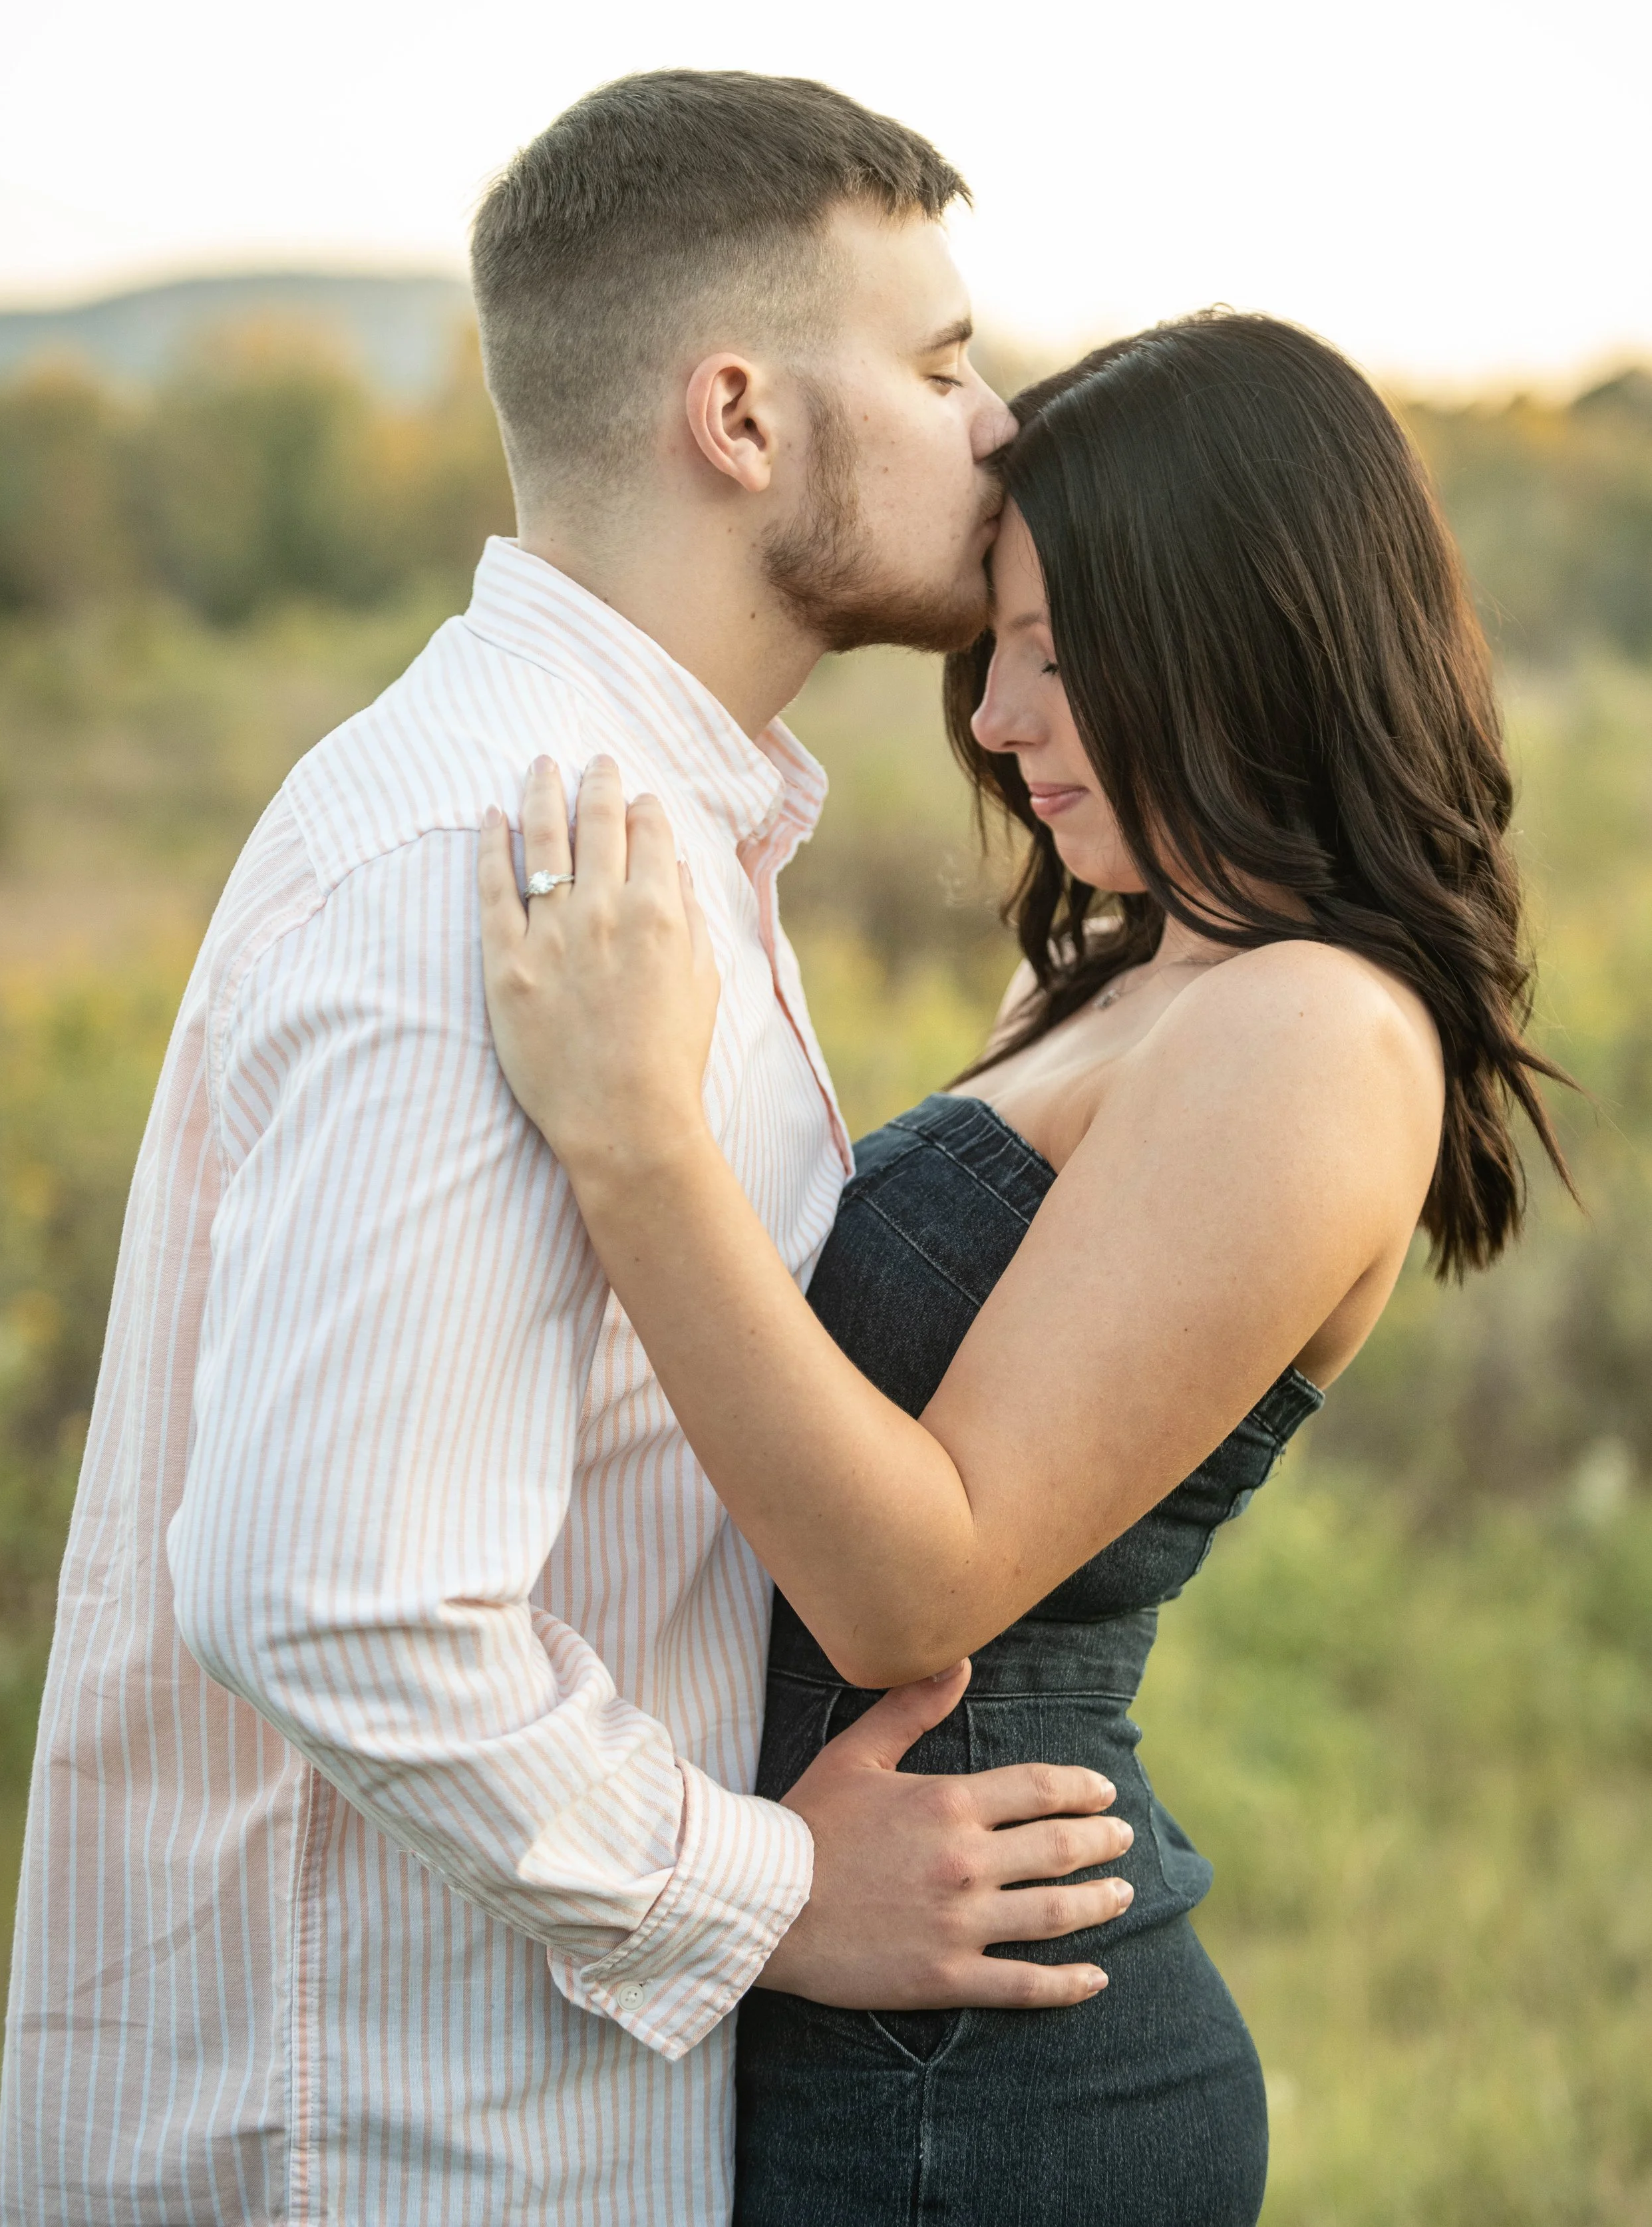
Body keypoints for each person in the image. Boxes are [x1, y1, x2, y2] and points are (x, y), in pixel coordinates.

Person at [0, 73, 1138, 2227]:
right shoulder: (499, 848)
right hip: (410, 2148)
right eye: (936, 359)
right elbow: (326, 1588)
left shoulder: (641, 821)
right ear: (738, 414)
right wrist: (773, 1894)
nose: (995, 423)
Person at [477, 311, 1571, 2227]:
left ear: (1246, 643)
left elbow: (918, 1584)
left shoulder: (1312, 1032)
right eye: (998, 649)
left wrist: (632, 1137)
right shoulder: (1130, 978)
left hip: (985, 2084)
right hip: (858, 2001)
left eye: (1059, 657)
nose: (992, 719)